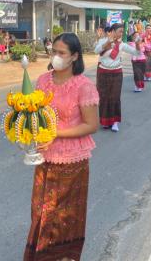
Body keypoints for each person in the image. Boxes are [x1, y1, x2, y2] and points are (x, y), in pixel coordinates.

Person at [24, 33, 99, 261]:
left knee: (64, 214)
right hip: (44, 156)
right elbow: (35, 114)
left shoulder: (83, 86)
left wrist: (55, 133)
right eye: (53, 51)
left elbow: (91, 125)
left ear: (74, 56)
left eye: (61, 53)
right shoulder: (43, 80)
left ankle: (64, 255)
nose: (55, 56)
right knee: (40, 210)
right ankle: (42, 255)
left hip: (72, 160)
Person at [94, 24, 140, 132]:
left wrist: (137, 44)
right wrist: (108, 43)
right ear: (113, 31)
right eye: (119, 31)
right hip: (103, 72)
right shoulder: (103, 41)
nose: (121, 33)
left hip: (116, 73)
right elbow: (96, 51)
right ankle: (105, 121)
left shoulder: (122, 45)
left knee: (115, 97)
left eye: (122, 31)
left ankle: (115, 122)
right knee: (104, 97)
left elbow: (137, 52)